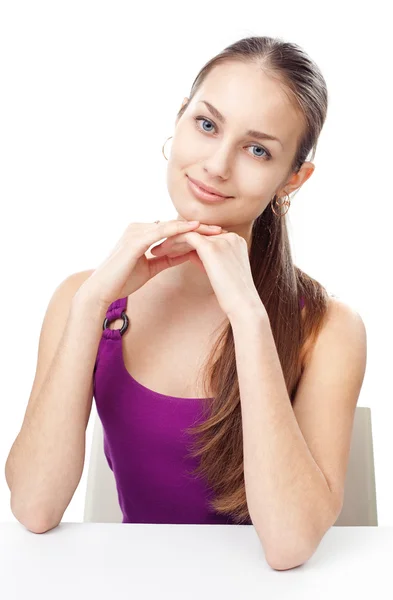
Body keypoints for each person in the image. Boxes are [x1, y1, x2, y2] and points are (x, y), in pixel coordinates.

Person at [5, 35, 366, 568]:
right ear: (179, 119)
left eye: (258, 149)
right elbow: (34, 507)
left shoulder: (330, 329)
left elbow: (289, 546)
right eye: (206, 124)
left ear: (293, 179)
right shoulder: (85, 298)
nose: (217, 165)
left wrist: (249, 317)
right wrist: (90, 304)